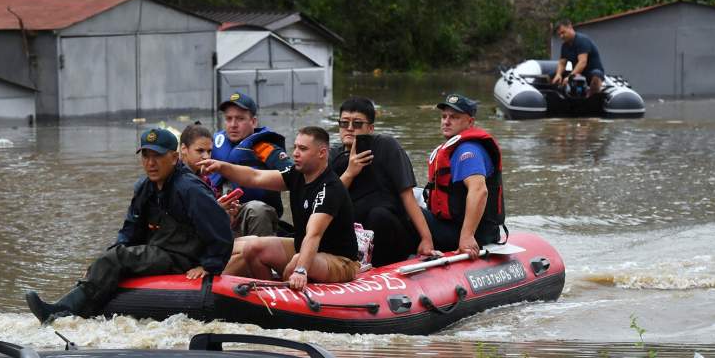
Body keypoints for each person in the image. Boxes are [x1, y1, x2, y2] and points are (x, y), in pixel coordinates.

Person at [24, 127, 233, 323]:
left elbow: (221, 229)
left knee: (116, 259)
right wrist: (102, 262)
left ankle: (61, 313)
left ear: (174, 157)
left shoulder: (189, 188)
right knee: (111, 258)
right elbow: (130, 229)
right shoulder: (145, 187)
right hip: (160, 250)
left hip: (182, 256)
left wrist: (209, 266)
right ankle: (73, 305)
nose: (151, 163)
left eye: (157, 156)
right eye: (145, 156)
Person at [199, 126, 359, 290]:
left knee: (297, 261)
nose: (295, 153)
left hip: (340, 260)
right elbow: (255, 177)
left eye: (303, 149)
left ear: (322, 153)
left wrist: (301, 270)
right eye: (295, 147)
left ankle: (288, 290)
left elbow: (313, 235)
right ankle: (270, 292)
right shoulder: (296, 174)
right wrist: (221, 167)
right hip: (301, 247)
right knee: (252, 248)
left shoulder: (330, 188)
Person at [329, 96, 434, 266]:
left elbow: (407, 195)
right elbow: (327, 202)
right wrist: (349, 172)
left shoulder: (387, 147)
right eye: (344, 123)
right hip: (355, 235)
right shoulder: (333, 156)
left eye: (357, 124)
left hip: (389, 231)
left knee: (378, 215)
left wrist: (426, 239)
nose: (349, 128)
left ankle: (376, 267)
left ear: (370, 128)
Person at [422, 93, 505, 260]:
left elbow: (479, 191)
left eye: (454, 117)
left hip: (470, 235)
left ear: (470, 122)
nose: (446, 121)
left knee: (404, 211)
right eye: (444, 116)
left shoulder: (468, 151)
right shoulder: (456, 148)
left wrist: (467, 236)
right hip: (455, 226)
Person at [206, 92, 293, 237]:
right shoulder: (211, 144)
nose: (233, 125)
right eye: (228, 119)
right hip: (219, 212)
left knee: (256, 209)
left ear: (253, 122)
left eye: (240, 119)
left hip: (253, 215)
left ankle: (263, 255)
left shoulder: (265, 148)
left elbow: (294, 175)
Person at [551, 19, 604, 97]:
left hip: (590, 74)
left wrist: (570, 77)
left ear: (570, 27)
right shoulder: (565, 46)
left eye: (563, 33)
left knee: (596, 75)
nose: (561, 36)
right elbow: (562, 63)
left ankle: (592, 98)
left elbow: (582, 62)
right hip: (577, 74)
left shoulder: (582, 41)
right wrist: (558, 74)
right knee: (551, 76)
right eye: (559, 35)